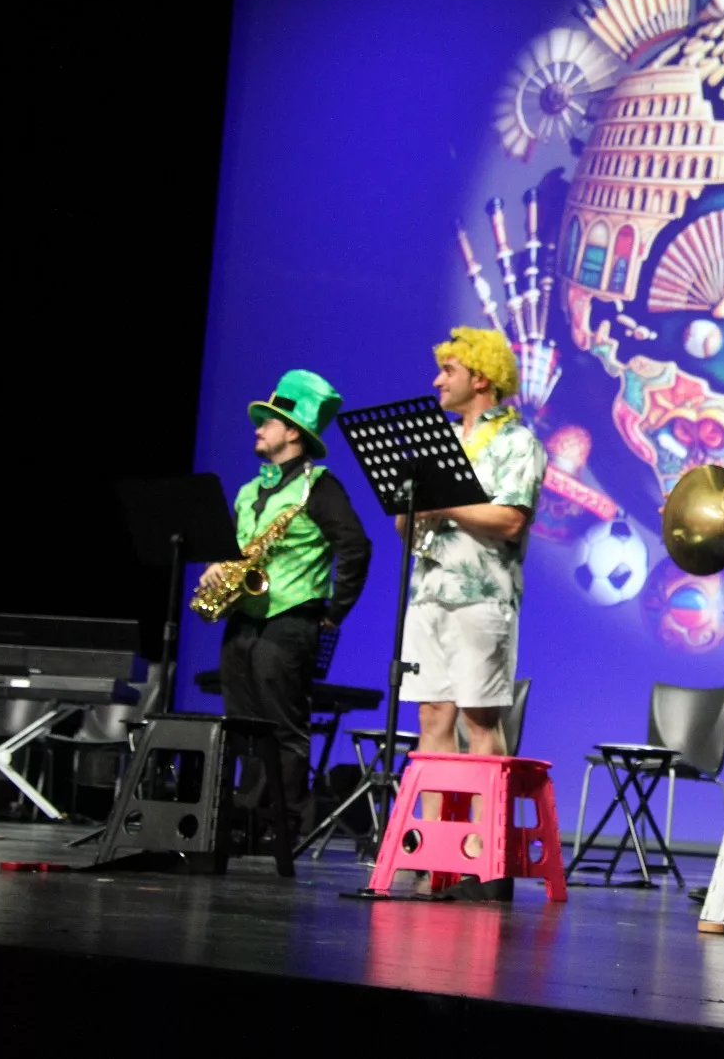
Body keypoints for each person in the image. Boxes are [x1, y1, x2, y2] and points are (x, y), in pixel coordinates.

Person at [398, 327, 547, 892]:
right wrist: (409, 508)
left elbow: (510, 520)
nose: (438, 380)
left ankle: (484, 855)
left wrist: (448, 505)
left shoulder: (518, 443)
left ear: (480, 378)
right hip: (428, 592)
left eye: (450, 371)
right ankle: (434, 849)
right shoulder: (440, 444)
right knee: (431, 717)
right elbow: (409, 528)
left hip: (483, 598)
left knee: (478, 719)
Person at [200, 368, 372, 847]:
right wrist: (220, 567)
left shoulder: (319, 487)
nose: (258, 427)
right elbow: (236, 551)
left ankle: (286, 827)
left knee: (285, 730)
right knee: (242, 726)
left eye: (269, 421)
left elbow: (356, 546)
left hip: (290, 621)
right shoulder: (250, 491)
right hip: (243, 620)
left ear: (293, 432)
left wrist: (334, 611)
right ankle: (246, 822)